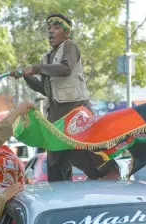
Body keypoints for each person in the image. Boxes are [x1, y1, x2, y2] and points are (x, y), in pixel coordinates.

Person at [11, 13, 119, 181]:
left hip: (74, 110)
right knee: (56, 160)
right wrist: (26, 76)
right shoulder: (46, 58)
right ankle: (60, 193)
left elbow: (65, 69)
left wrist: (35, 68)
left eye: (56, 27)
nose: (51, 32)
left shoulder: (70, 46)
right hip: (56, 116)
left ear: (66, 33)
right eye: (48, 28)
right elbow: (46, 90)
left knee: (88, 148)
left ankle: (110, 176)